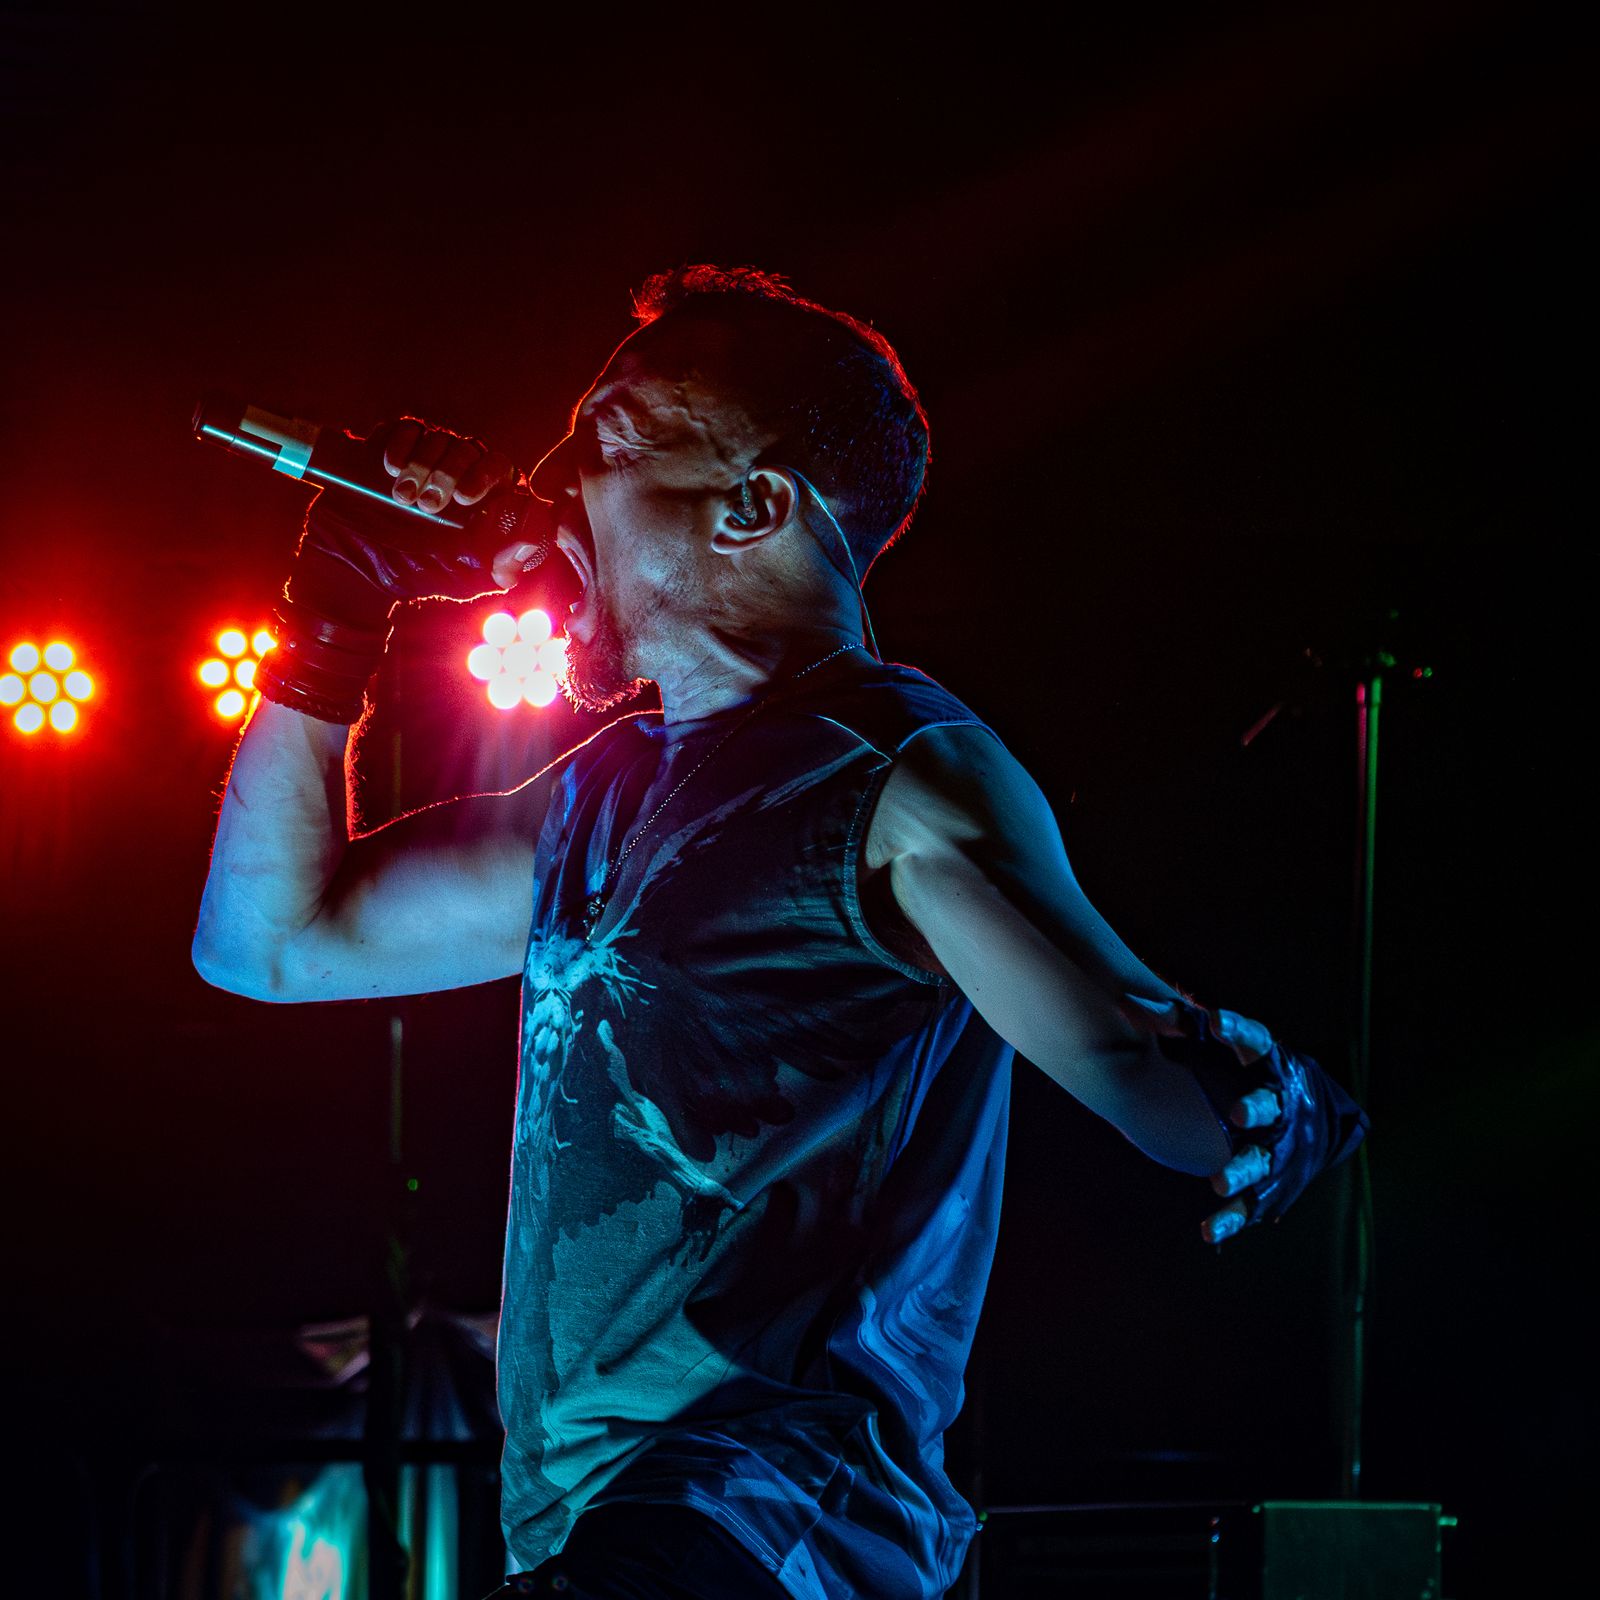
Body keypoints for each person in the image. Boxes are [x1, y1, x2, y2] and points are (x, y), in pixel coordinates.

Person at [192, 265, 1367, 1599]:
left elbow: (1128, 1052)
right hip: (597, 1525)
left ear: (754, 506)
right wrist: (329, 625)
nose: (552, 484)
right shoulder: (597, 796)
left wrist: (1253, 1100)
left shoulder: (896, 773)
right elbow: (268, 943)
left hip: (771, 1515)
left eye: (612, 443)